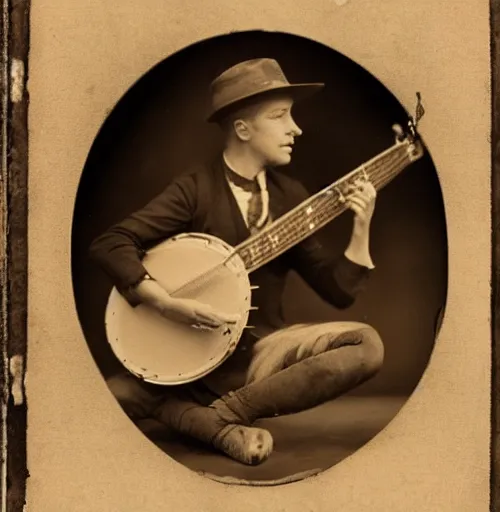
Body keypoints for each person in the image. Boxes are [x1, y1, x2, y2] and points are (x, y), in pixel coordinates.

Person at [89, 58, 384, 466]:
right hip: (186, 355)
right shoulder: (195, 189)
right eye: (281, 116)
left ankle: (217, 416)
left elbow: (338, 292)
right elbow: (111, 243)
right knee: (112, 396)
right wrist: (164, 303)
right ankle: (198, 419)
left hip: (259, 357)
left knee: (366, 346)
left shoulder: (291, 196)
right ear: (243, 129)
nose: (295, 128)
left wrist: (361, 224)